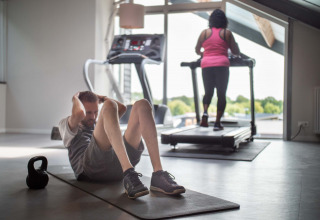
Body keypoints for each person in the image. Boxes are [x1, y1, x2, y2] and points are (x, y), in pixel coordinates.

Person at [59, 91, 185, 199]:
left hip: (116, 165)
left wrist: (102, 98)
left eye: (95, 112)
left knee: (142, 104)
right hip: (91, 169)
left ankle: (158, 173)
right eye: (89, 113)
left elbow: (122, 108)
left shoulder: (99, 124)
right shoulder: (67, 125)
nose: (92, 117)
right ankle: (129, 172)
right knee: (109, 105)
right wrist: (75, 97)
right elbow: (79, 113)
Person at [195, 9, 240, 131]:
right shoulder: (227, 33)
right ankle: (217, 123)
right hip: (222, 64)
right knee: (221, 94)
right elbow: (236, 52)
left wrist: (203, 54)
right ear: (224, 21)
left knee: (208, 91)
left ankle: (205, 112)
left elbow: (197, 49)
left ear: (211, 20)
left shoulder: (204, 33)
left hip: (206, 64)